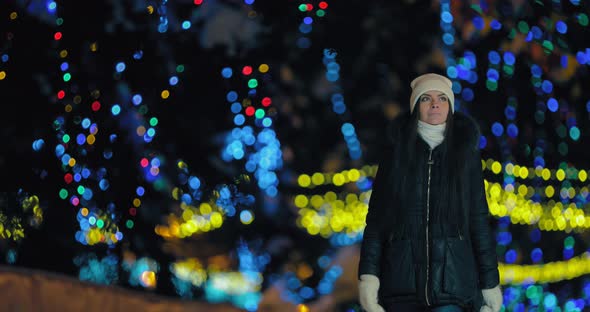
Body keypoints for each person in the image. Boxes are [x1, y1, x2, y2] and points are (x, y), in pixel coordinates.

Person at [357, 73, 503, 312]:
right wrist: (368, 277)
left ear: (450, 107)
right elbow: (376, 223)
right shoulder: (396, 156)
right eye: (426, 98)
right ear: (415, 107)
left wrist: (490, 283)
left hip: (453, 288)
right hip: (400, 288)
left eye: (442, 98)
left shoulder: (466, 157)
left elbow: (478, 222)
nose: (435, 103)